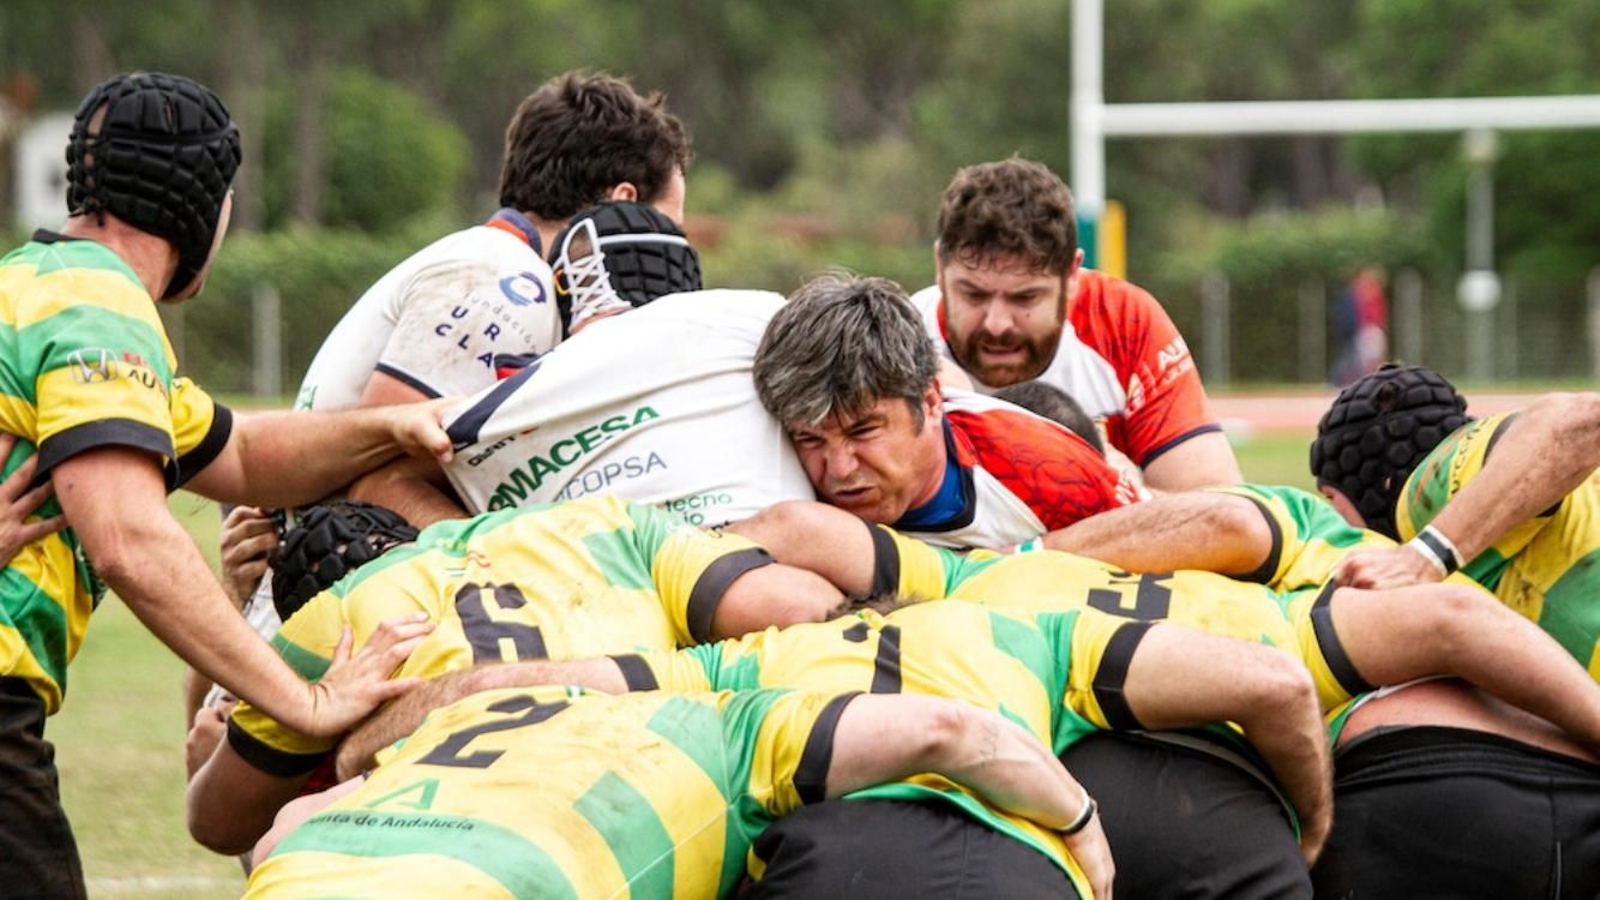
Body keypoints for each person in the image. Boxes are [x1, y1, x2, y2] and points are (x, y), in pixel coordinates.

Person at [0, 71, 455, 897]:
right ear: (206, 207)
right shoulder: (98, 311)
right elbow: (130, 538)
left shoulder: (32, 284)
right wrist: (305, 701)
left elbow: (239, 451)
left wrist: (387, 426)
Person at [735, 497, 1600, 896]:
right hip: (1224, 817)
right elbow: (1453, 615)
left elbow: (802, 530)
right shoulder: (1252, 607)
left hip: (1025, 813)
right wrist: (1317, 822)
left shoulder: (983, 578)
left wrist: (669, 550)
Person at [196, 71, 696, 723]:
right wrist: (538, 571)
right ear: (624, 200)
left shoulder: (497, 264)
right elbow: (372, 471)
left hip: (323, 595)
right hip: (329, 607)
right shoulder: (506, 281)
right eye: (670, 225)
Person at [340, 595, 1333, 898]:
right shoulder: (1036, 631)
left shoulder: (752, 658)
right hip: (1018, 876)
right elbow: (1276, 684)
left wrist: (358, 736)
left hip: (835, 869)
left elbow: (524, 685)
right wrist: (1313, 823)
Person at [186, 494, 847, 855]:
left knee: (289, 830)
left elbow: (218, 825)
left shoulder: (331, 624)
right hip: (657, 793)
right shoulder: (601, 521)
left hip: (467, 834)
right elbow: (809, 612)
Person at [244, 686, 1103, 899]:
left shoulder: (467, 716)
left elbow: (282, 825)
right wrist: (1082, 822)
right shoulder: (726, 724)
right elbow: (950, 733)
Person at [908, 157, 1240, 491]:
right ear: (940, 265)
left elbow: (1217, 505)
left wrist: (1122, 489)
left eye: (1025, 298)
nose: (996, 324)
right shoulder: (901, 343)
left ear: (1071, 275)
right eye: (974, 295)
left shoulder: (1121, 323)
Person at [752, 272, 1137, 549]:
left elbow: (1169, 536)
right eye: (810, 438)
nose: (838, 470)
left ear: (931, 402)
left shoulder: (1051, 474)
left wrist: (1030, 559)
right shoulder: (769, 474)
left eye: (863, 431)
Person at [1330, 265, 1388, 387]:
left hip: (1371, 329)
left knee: (1367, 358)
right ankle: (1363, 381)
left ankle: (1372, 381)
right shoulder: (1361, 294)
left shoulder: (1370, 294)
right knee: (1360, 358)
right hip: (1366, 329)